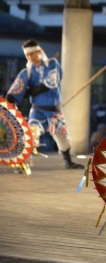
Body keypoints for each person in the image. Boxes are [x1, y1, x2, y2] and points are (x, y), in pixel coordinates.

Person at [6, 39, 84, 170]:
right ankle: (23, 163)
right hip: (38, 111)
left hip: (55, 111)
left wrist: (36, 89)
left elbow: (53, 80)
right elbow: (18, 87)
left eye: (32, 53)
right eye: (27, 55)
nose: (30, 57)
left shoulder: (52, 64)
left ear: (38, 51)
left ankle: (68, 161)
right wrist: (11, 99)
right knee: (31, 134)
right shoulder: (27, 72)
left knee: (63, 137)